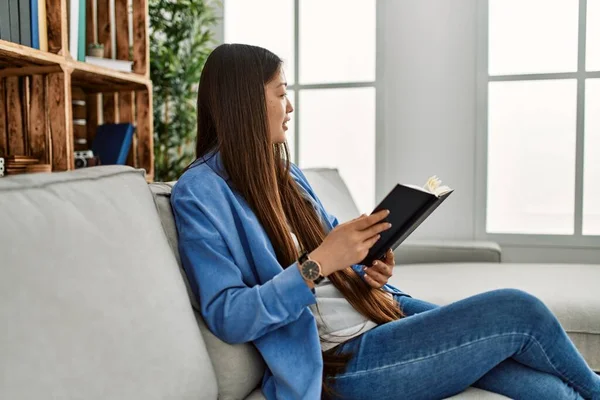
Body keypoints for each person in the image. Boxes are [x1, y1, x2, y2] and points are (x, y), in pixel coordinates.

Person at [170, 43, 600, 400]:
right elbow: (228, 315)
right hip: (343, 360)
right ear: (244, 101)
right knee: (517, 308)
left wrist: (368, 264)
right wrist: (317, 264)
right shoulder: (200, 192)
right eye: (281, 93)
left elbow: (340, 259)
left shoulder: (285, 173)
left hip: (378, 310)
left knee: (551, 391)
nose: (291, 105)